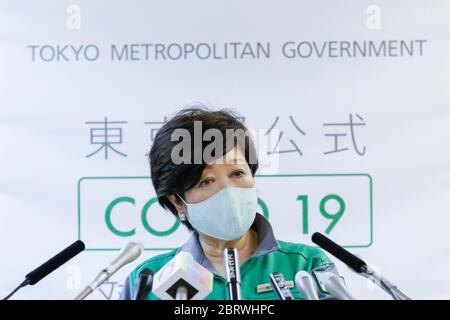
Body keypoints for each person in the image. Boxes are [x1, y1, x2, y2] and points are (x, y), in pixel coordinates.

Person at [120, 106, 341, 300]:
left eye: (237, 173)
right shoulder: (146, 281)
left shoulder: (306, 265)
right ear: (177, 202)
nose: (228, 191)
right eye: (206, 181)